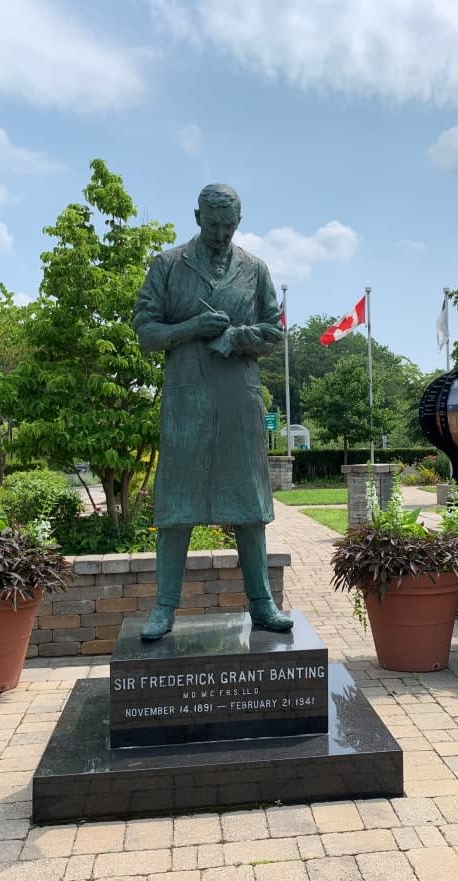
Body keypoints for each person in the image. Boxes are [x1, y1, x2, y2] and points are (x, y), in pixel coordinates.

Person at [132, 184, 293, 640]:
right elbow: (145, 330)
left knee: (249, 506)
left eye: (230, 224)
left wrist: (239, 337)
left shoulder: (255, 269)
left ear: (238, 221)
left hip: (238, 398)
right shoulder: (168, 265)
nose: (222, 232)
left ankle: (262, 604)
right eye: (214, 222)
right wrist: (191, 328)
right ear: (197, 216)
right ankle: (164, 609)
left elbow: (273, 330)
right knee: (176, 508)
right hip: (187, 400)